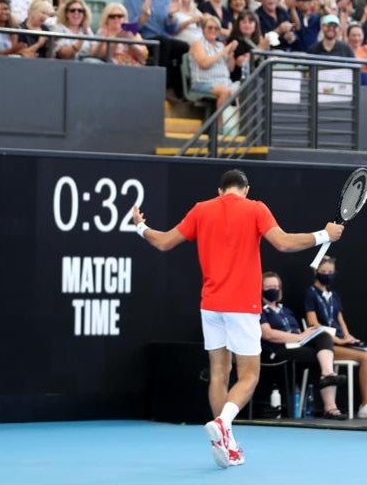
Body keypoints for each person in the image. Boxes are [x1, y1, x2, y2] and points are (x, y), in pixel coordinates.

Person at [130, 169, 344, 469]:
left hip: (211, 306)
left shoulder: (201, 209)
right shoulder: (255, 208)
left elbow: (164, 242)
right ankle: (223, 423)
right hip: (242, 307)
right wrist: (324, 235)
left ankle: (225, 441)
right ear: (246, 189)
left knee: (219, 372)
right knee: (249, 376)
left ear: (220, 191)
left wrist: (140, 226)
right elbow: (283, 243)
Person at [303, 257, 367, 420]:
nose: (327, 275)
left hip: (342, 341)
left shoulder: (334, 295)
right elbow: (313, 324)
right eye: (324, 272)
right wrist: (338, 340)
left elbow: (340, 319)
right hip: (326, 345)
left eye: (331, 272)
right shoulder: (310, 293)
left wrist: (347, 336)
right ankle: (365, 403)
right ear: (316, 272)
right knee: (366, 357)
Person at [259, 272, 347, 421]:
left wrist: (306, 335)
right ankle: (330, 403)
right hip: (277, 350)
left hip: (297, 345)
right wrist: (299, 337)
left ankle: (328, 376)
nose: (273, 289)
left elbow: (298, 331)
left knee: (323, 337)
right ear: (260, 288)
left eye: (276, 286)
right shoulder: (259, 310)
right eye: (268, 286)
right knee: (322, 355)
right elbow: (268, 334)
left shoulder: (286, 310)